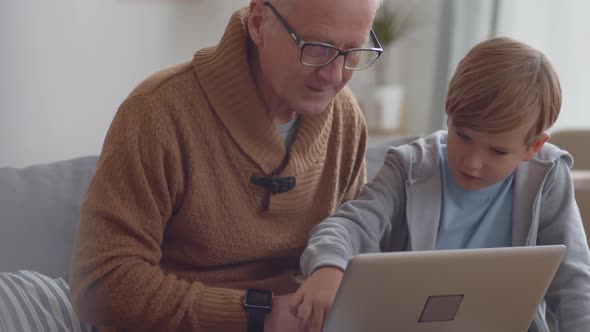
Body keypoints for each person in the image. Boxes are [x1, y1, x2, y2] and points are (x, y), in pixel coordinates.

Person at [69, 0, 385, 331]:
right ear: (260, 23)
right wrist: (260, 314)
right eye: (318, 48)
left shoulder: (346, 119)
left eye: (353, 52)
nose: (334, 75)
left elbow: (351, 243)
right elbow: (101, 283)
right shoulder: (156, 113)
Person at [292, 37, 590, 332]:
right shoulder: (410, 166)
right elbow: (350, 224)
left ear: (533, 147)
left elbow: (575, 282)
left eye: (497, 151)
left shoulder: (548, 175)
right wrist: (329, 265)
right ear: (448, 116)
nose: (472, 162)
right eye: (463, 136)